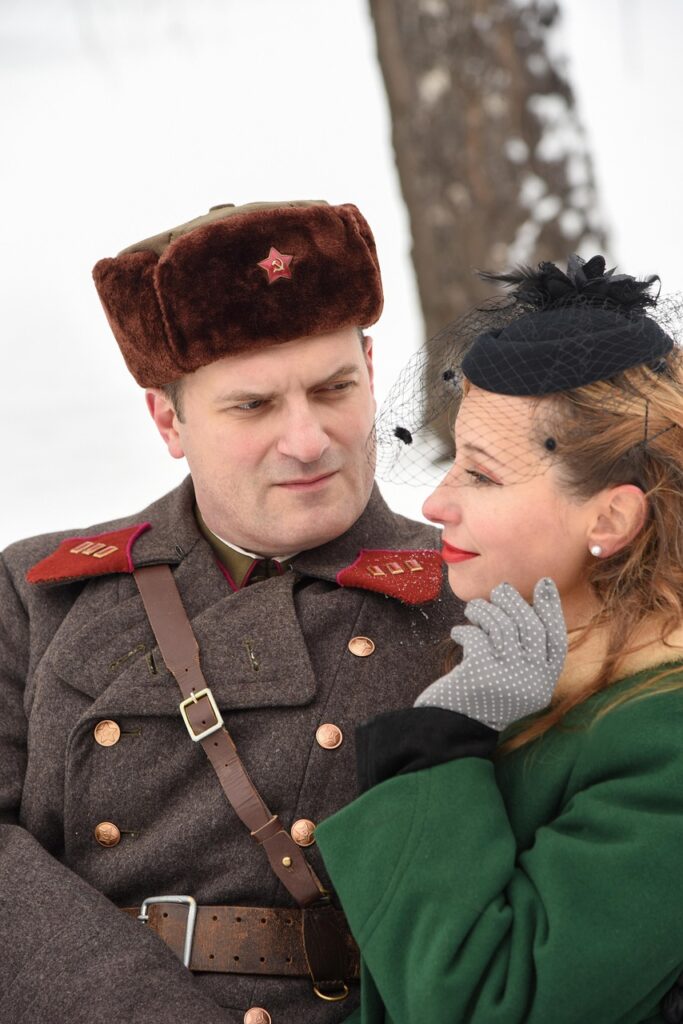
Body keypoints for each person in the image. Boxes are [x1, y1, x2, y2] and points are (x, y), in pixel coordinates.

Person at [0, 200, 460, 1024]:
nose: (308, 441)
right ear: (167, 419)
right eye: (252, 406)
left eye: (333, 388)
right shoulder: (35, 590)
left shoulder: (475, 587)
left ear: (369, 366)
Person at [316, 255, 683, 1023]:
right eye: (453, 460)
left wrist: (439, 744)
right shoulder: (530, 662)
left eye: (481, 475)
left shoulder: (666, 740)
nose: (434, 501)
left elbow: (482, 1005)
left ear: (610, 518)